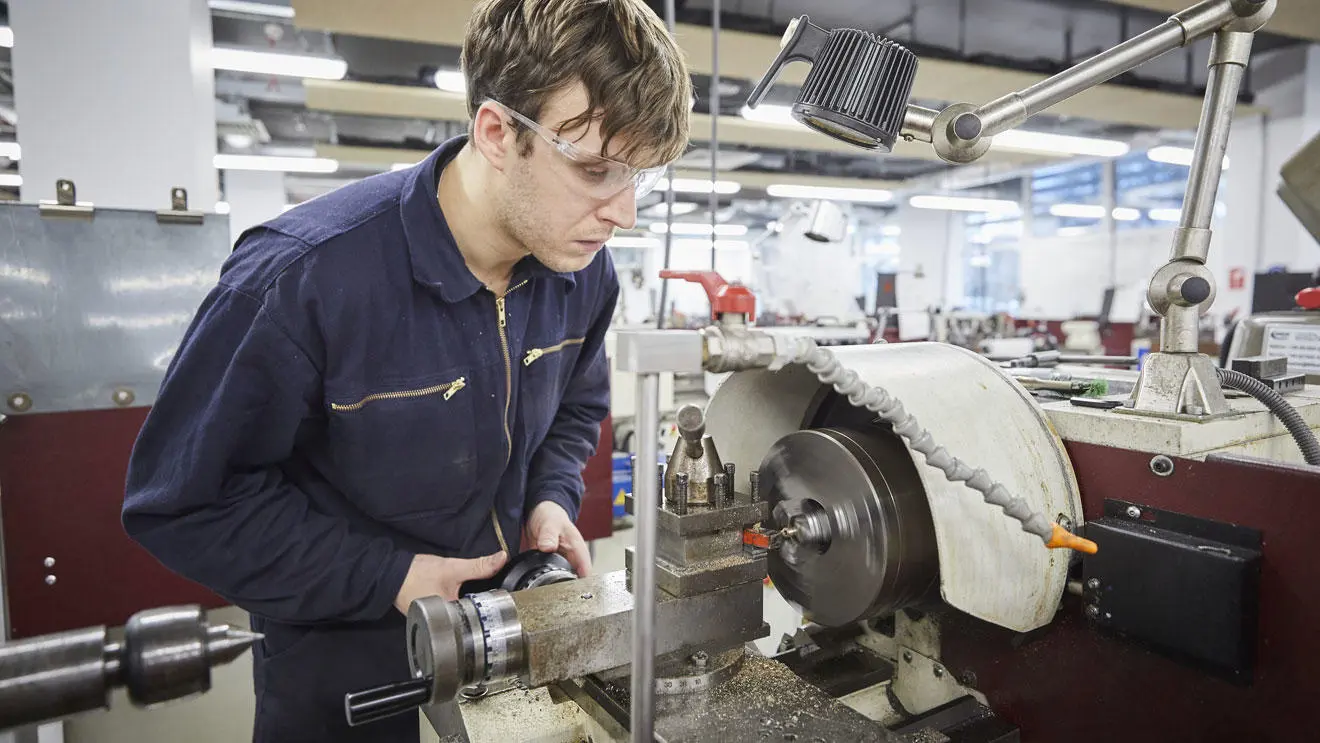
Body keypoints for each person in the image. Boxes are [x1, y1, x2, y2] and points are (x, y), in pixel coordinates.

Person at [121, 0, 692, 739]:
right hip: (343, 657)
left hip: (507, 635)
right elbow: (185, 502)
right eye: (594, 170)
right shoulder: (302, 278)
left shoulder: (580, 272)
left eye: (640, 177)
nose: (624, 214)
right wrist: (386, 576)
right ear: (497, 133)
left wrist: (550, 497)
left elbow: (578, 410)